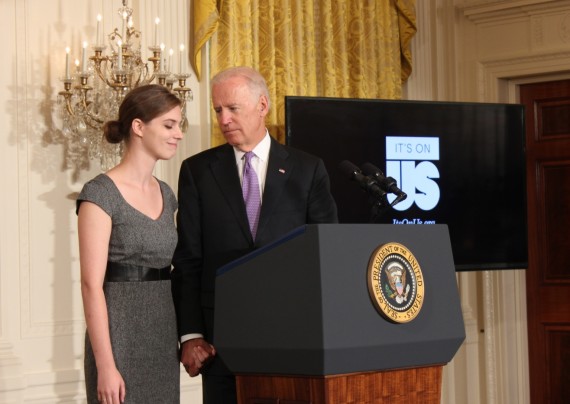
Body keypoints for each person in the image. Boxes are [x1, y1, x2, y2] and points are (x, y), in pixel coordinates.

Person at [171, 66, 338, 403]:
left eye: (233, 108)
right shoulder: (197, 171)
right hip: (221, 346)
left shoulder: (307, 170)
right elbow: (188, 260)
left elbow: (328, 255)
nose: (224, 119)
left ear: (263, 105)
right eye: (218, 110)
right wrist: (191, 335)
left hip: (294, 340)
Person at [76, 84, 184, 404]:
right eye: (169, 125)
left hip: (163, 340)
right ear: (138, 127)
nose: (178, 134)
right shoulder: (100, 194)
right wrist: (106, 366)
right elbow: (90, 286)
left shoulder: (167, 194)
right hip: (118, 341)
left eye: (179, 125)